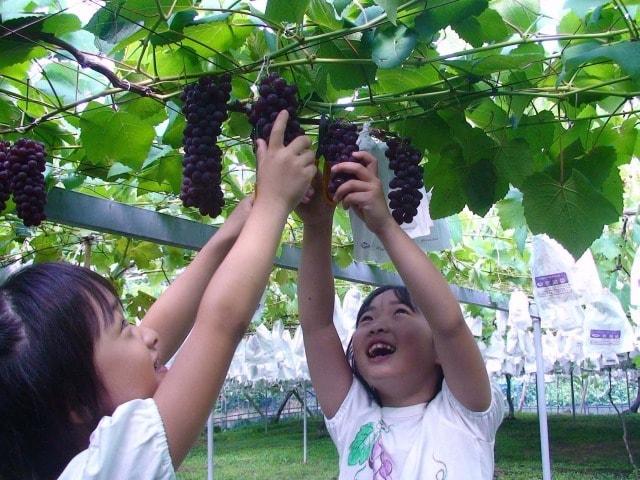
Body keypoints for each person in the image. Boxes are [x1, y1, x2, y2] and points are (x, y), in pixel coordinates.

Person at [0, 110, 316, 480]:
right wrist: (274, 203)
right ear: (74, 402)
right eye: (124, 328)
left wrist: (226, 238)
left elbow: (143, 345)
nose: (147, 334)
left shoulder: (67, 452)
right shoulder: (109, 471)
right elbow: (221, 323)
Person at [296, 150, 504, 479]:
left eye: (400, 313)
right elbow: (317, 327)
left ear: (438, 349)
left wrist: (384, 226)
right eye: (366, 320)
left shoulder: (465, 413)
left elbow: (448, 324)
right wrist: (317, 225)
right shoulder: (354, 420)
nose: (377, 325)